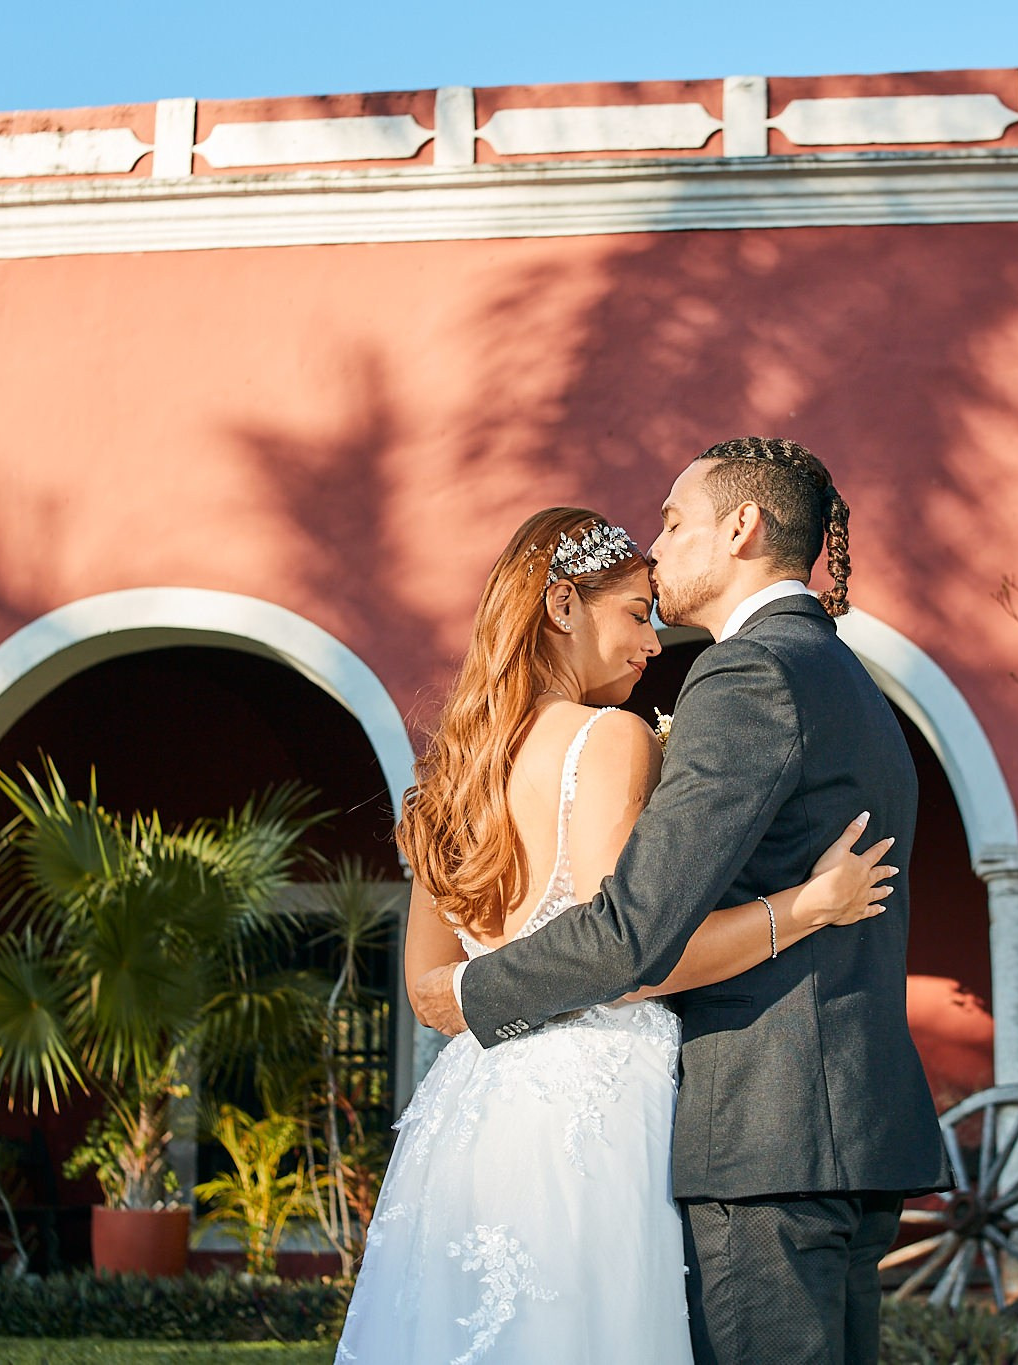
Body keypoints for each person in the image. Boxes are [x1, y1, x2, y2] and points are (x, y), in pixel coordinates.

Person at [415, 438, 952, 1365]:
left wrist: (468, 996)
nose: (656, 553)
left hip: (766, 1136)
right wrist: (804, 906)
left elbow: (634, 931)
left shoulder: (748, 673)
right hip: (839, 1128)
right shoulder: (846, 676)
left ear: (741, 526)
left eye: (671, 520)